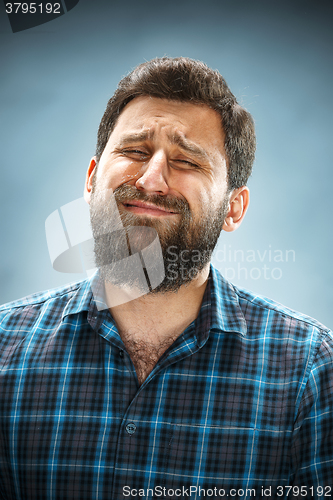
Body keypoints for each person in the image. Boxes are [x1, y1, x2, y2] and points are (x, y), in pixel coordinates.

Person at [0, 57, 332, 500]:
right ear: (92, 179)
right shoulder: (4, 348)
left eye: (187, 161)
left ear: (234, 207)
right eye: (135, 152)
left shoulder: (311, 371)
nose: (152, 179)